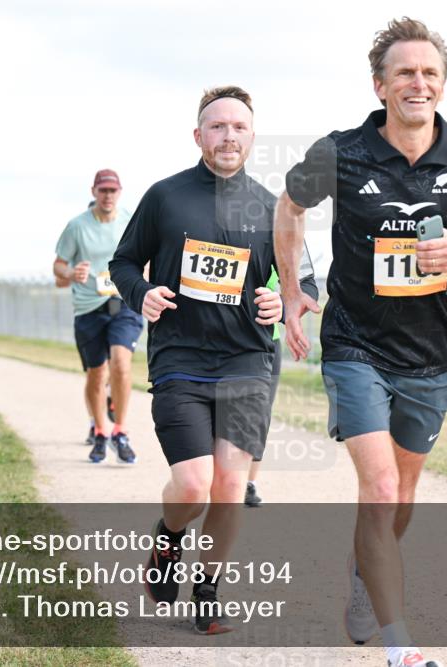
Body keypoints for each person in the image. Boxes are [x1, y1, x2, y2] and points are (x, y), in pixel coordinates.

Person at [274, 18, 447, 667]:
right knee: (379, 489)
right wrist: (294, 288)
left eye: (429, 72)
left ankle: (363, 572)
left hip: (429, 358)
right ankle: (401, 647)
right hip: (354, 344)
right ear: (380, 84)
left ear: (442, 84)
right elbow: (288, 206)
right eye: (405, 72)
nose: (418, 82)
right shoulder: (341, 151)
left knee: (399, 498)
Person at [110, 85, 293, 635]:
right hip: (180, 360)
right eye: (217, 126)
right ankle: (168, 539)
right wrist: (140, 292)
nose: (228, 135)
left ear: (253, 137)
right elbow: (123, 263)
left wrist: (281, 299)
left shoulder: (273, 207)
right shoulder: (165, 197)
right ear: (198, 136)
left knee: (230, 487)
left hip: (245, 361)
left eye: (238, 127)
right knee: (193, 486)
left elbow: (302, 280)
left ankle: (208, 590)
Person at [54, 169, 143, 464]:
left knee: (120, 363)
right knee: (97, 373)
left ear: (120, 192)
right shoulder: (77, 226)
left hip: (123, 304)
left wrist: (146, 286)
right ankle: (100, 429)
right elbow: (59, 266)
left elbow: (147, 257)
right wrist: (71, 272)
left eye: (112, 191)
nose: (108, 196)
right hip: (89, 307)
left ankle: (120, 430)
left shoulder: (131, 220)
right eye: (102, 190)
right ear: (93, 191)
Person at [244, 263, 319, 508]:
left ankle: (248, 483)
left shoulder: (275, 234)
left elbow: (305, 282)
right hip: (215, 339)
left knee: (259, 415)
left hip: (264, 339)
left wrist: (282, 304)